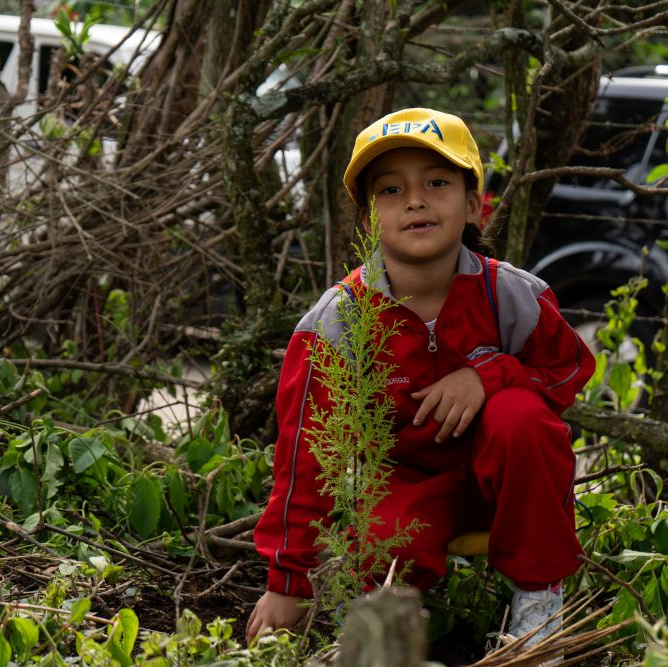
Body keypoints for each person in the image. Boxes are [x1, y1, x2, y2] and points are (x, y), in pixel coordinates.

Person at [246, 107, 596, 646]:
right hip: (404, 488)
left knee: (522, 415)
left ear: (475, 202)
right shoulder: (337, 322)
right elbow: (304, 458)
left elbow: (569, 370)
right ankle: (394, 634)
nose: (415, 200)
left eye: (437, 182)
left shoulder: (511, 295)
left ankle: (538, 607)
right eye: (390, 189)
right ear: (366, 220)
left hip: (501, 485)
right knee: (382, 540)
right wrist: (287, 582)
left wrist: (490, 375)